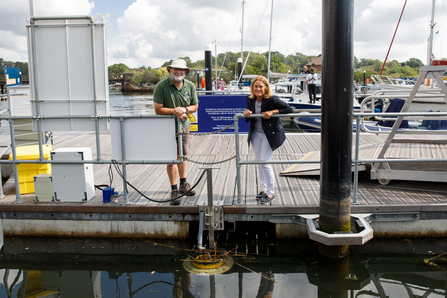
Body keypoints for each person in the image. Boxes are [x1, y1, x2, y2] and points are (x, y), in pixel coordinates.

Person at [153, 59, 199, 205]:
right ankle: (174, 189)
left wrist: (184, 109)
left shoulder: (190, 85)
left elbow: (195, 106)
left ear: (185, 72)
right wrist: (175, 111)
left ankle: (183, 184)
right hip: (166, 127)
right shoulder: (161, 86)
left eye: (182, 70)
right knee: (171, 157)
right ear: (170, 70)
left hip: (184, 125)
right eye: (175, 69)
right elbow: (158, 109)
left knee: (183, 155)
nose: (179, 72)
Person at [243, 76, 293, 204]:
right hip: (255, 134)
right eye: (256, 86)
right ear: (252, 88)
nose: (258, 89)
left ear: (266, 88)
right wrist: (247, 113)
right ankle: (264, 190)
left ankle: (271, 193)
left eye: (261, 86)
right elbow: (250, 115)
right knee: (259, 162)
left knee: (265, 162)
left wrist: (272, 111)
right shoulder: (250, 100)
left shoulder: (272, 99)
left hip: (268, 135)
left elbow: (289, 109)